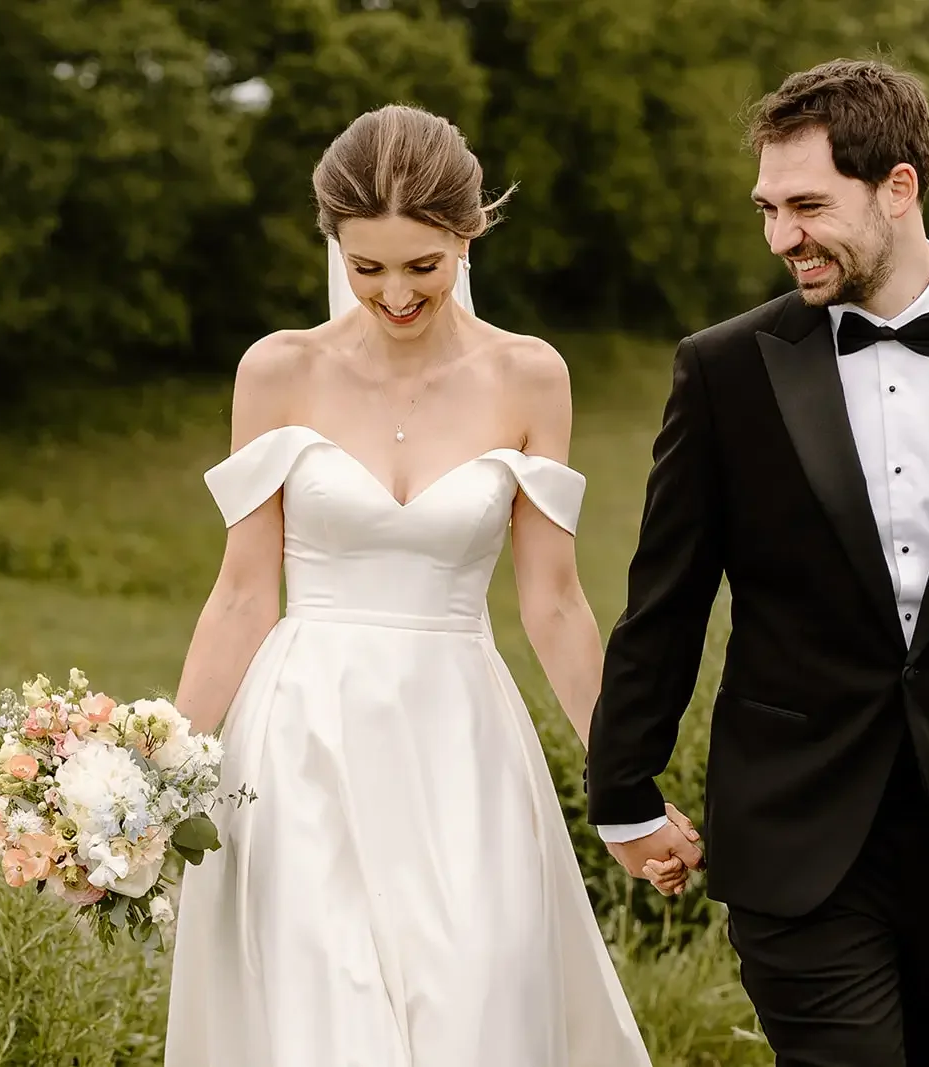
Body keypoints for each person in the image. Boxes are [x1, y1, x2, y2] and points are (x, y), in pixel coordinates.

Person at [585, 59, 929, 1065]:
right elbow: (665, 599)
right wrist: (622, 787)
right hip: (796, 830)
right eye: (767, 208)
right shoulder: (725, 369)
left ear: (899, 187)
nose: (782, 235)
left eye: (807, 205)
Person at [162, 103, 697, 1067]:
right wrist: (149, 780)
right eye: (368, 267)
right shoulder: (275, 371)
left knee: (478, 1008)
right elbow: (243, 594)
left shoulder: (530, 377)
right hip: (301, 744)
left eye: (423, 265)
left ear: (468, 237)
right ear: (334, 245)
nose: (395, 293)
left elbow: (554, 602)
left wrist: (627, 792)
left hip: (462, 745)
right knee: (326, 1025)